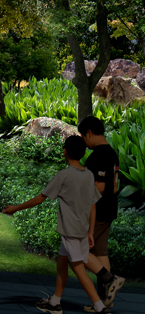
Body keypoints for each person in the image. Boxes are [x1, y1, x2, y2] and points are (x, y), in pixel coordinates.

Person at [3, 136, 109, 313]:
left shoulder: (63, 176)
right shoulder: (89, 175)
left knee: (78, 269)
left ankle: (100, 306)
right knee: (61, 263)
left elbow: (40, 198)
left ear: (65, 152)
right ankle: (55, 303)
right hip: (81, 229)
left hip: (70, 231)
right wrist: (91, 231)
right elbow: (93, 204)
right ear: (83, 153)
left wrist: (15, 208)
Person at [78, 116, 125, 306]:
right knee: (100, 252)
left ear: (89, 133)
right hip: (109, 209)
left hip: (97, 211)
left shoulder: (99, 155)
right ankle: (106, 299)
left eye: (83, 136)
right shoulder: (111, 153)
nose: (83, 140)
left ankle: (110, 280)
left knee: (78, 249)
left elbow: (99, 187)